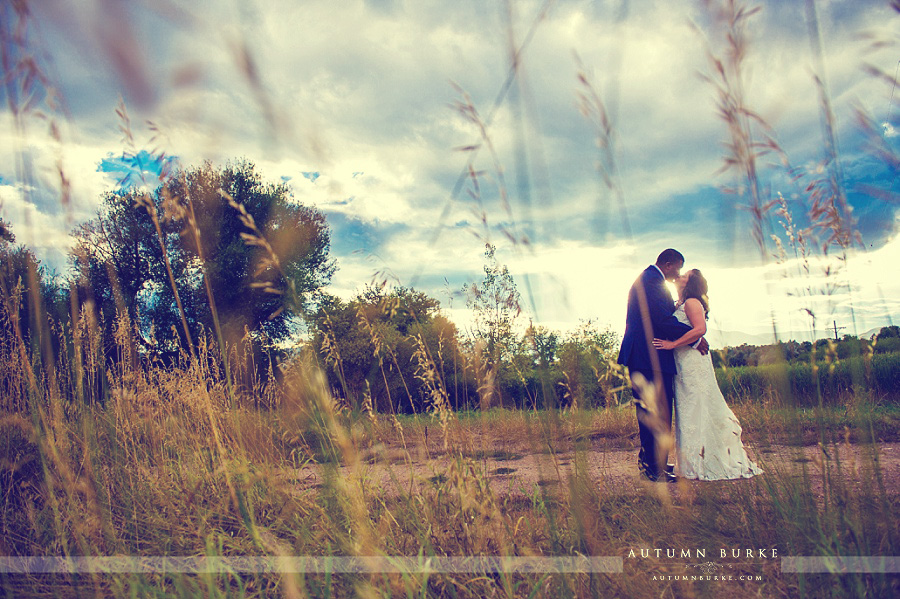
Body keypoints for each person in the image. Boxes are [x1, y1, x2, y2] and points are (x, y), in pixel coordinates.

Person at [652, 269, 762, 480]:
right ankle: (691, 462)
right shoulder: (680, 303)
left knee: (698, 406)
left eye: (685, 275)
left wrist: (672, 344)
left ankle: (706, 461)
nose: (680, 276)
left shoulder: (693, 302)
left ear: (690, 283)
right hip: (683, 362)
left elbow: (700, 329)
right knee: (688, 409)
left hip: (693, 361)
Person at [617, 249, 709, 482]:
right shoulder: (652, 282)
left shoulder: (650, 278)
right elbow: (662, 320)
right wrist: (695, 337)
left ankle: (653, 463)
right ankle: (653, 469)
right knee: (655, 411)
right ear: (668, 264)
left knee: (653, 411)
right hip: (648, 357)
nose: (678, 274)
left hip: (647, 356)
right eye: (678, 268)